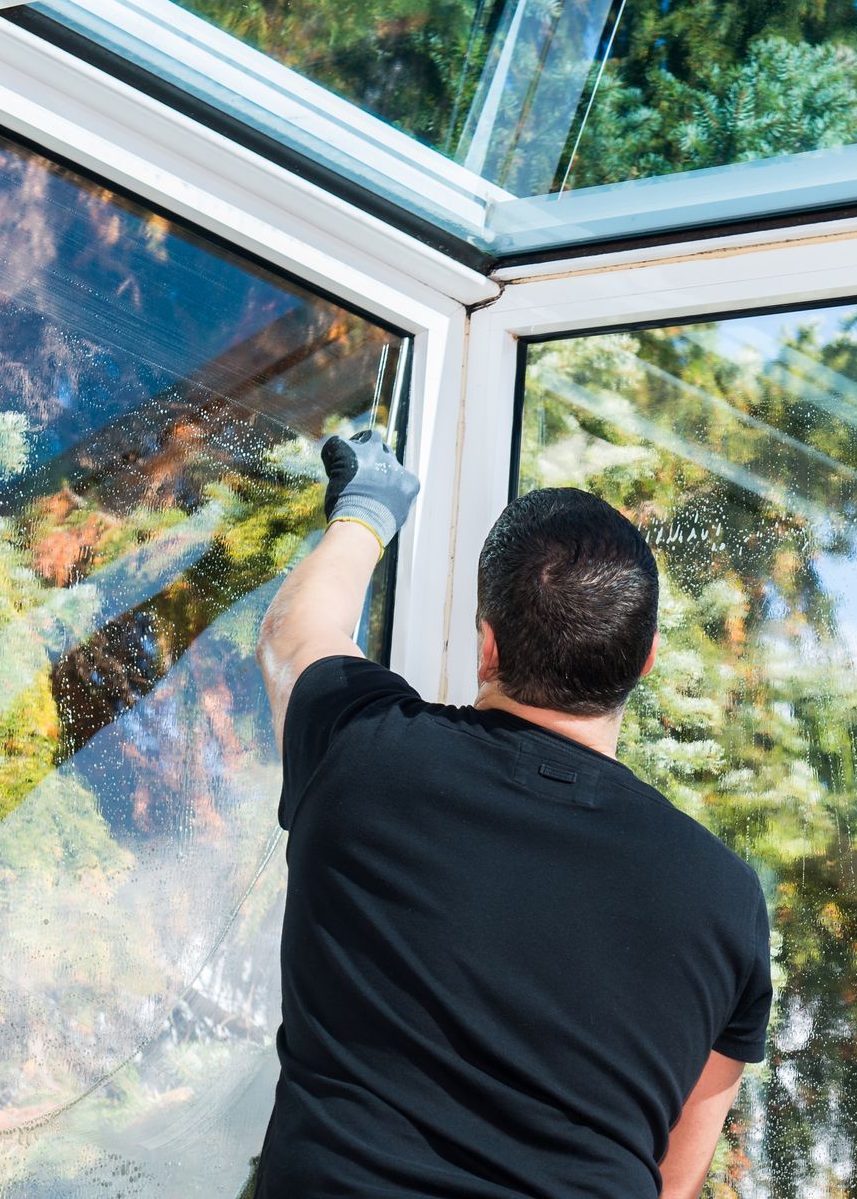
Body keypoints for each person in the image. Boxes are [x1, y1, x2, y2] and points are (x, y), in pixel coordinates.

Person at [248, 430, 771, 1199]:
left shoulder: (366, 754)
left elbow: (295, 636)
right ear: (647, 659)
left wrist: (366, 510)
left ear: (488, 647)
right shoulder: (727, 901)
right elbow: (674, 1178)